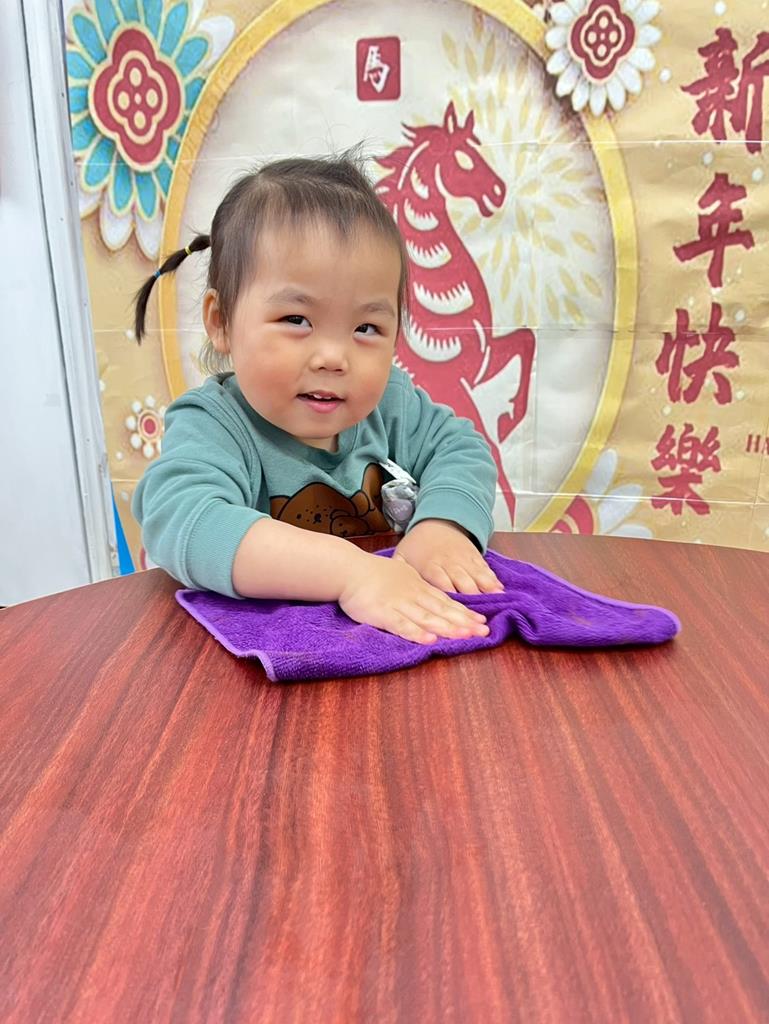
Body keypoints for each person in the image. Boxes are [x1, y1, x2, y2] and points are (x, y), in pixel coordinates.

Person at [132, 152, 505, 646]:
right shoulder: (215, 425)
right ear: (221, 322)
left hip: (394, 646)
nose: (333, 357)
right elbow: (185, 520)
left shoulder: (390, 405)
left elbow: (462, 449)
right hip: (261, 667)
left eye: (366, 327)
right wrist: (352, 573)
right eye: (296, 320)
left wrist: (442, 526)